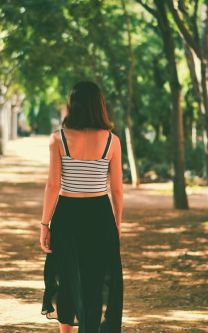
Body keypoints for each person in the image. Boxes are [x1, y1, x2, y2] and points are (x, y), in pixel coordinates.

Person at [39, 80, 124, 333]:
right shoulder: (112, 141)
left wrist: (45, 224)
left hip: (67, 215)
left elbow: (53, 186)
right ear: (100, 106)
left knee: (66, 277)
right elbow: (117, 189)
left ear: (72, 106)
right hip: (100, 215)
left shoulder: (59, 139)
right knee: (95, 281)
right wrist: (116, 225)